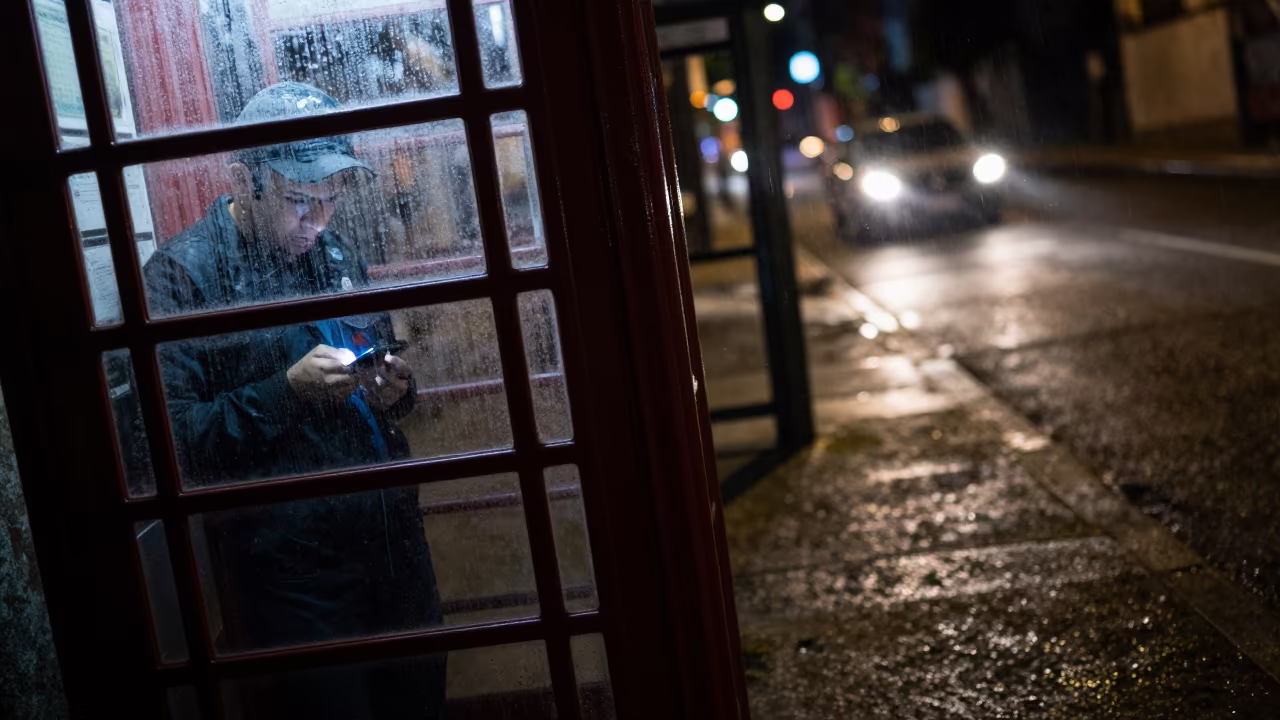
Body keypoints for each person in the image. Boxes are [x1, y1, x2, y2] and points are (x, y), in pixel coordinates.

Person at [142, 83, 446, 718]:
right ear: (242, 178)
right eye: (300, 200)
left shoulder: (332, 251)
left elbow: (377, 356)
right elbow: (170, 444)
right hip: (293, 580)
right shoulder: (182, 276)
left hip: (393, 551)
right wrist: (284, 396)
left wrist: (395, 390)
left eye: (332, 200)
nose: (318, 221)